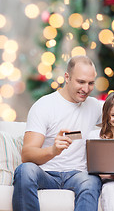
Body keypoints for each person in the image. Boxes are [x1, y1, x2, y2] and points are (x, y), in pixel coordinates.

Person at [12, 55, 103, 211]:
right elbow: (27, 155)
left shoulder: (95, 106)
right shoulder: (44, 106)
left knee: (92, 181)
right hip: (46, 173)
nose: (86, 89)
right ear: (67, 77)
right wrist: (53, 150)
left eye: (90, 83)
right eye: (80, 82)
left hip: (78, 175)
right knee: (24, 170)